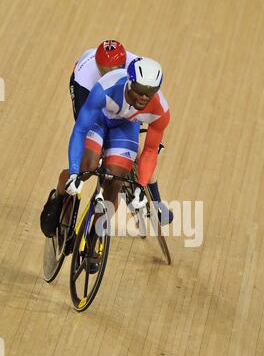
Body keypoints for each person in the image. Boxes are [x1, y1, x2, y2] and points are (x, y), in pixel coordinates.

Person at [40, 49, 172, 241]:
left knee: (115, 181)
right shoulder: (105, 88)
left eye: (151, 92)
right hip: (100, 119)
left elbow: (151, 150)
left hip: (125, 127)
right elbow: (80, 130)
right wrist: (75, 172)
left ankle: (93, 237)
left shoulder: (161, 111)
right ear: (130, 82)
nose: (145, 97)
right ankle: (58, 198)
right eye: (141, 90)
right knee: (88, 167)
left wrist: (140, 186)